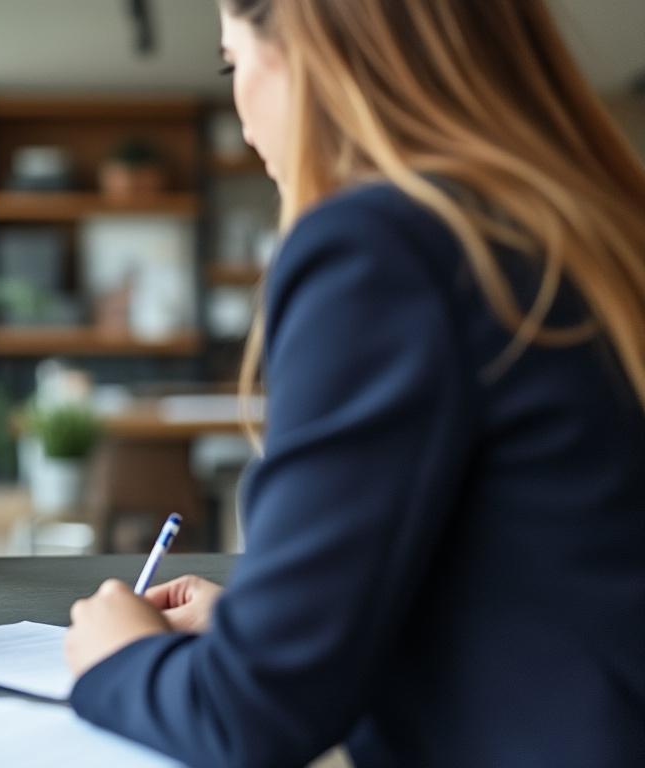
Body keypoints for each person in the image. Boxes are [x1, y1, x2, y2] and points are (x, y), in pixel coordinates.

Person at [64, 1, 645, 766]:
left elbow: (251, 715)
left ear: (308, 51)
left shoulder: (380, 246)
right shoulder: (583, 225)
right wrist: (272, 622)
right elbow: (533, 574)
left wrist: (120, 658)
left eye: (233, 61)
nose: (242, 117)